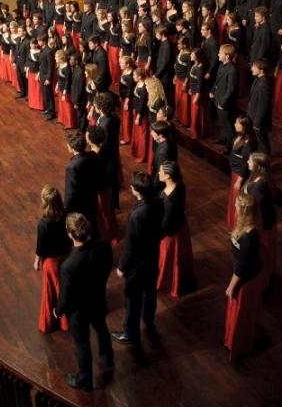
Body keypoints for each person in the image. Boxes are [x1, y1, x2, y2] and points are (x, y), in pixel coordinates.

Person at [54, 213, 114, 392]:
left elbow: (65, 296)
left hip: (78, 312)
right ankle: (107, 358)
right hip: (97, 299)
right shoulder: (103, 246)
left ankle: (84, 379)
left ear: (70, 234)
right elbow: (108, 265)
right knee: (101, 328)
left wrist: (58, 311)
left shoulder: (68, 266)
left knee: (82, 344)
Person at [111, 171, 163, 344]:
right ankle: (148, 319)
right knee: (150, 291)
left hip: (137, 265)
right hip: (153, 256)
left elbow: (131, 246)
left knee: (132, 299)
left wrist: (122, 267)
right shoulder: (158, 203)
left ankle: (130, 333)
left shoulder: (136, 215)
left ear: (135, 190)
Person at [224, 193, 263, 361]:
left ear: (244, 211)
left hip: (245, 280)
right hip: (241, 273)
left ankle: (240, 344)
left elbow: (241, 268)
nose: (235, 208)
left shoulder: (249, 237)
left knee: (241, 312)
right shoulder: (243, 226)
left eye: (237, 206)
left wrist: (231, 286)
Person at [34, 185, 71, 334]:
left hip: (52, 263)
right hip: (66, 258)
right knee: (65, 291)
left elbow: (41, 248)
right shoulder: (66, 215)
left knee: (51, 293)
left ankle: (49, 323)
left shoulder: (44, 224)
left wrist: (37, 261)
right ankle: (66, 323)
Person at [157, 161, 195, 296]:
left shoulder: (169, 200)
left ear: (168, 176)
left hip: (170, 234)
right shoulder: (180, 185)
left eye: (161, 171)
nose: (158, 173)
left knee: (170, 261)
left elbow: (165, 223)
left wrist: (156, 235)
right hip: (180, 227)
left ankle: (167, 281)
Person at [243, 152, 277, 289]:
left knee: (261, 254)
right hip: (261, 223)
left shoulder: (259, 187)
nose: (247, 162)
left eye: (250, 161)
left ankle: (262, 282)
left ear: (256, 165)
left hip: (260, 226)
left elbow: (258, 211)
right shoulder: (259, 179)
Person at [86, 126, 119, 245]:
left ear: (90, 139)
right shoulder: (105, 149)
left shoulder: (92, 157)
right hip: (105, 186)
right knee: (107, 213)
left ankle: (107, 234)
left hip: (99, 188)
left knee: (103, 214)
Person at [226, 116, 257, 231]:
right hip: (235, 173)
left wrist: (239, 180)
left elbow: (245, 164)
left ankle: (238, 226)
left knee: (238, 201)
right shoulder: (240, 137)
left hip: (239, 176)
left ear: (243, 127)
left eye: (237, 123)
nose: (234, 124)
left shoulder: (248, 144)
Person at [64, 130, 98, 231]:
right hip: (92, 199)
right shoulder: (93, 155)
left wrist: (66, 209)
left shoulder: (72, 167)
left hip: (80, 205)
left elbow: (70, 192)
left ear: (71, 147)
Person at [94, 93, 121, 210]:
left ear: (100, 109)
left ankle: (113, 206)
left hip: (107, 156)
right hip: (112, 153)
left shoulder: (105, 123)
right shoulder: (113, 117)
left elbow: (104, 144)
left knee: (110, 181)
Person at [210, 44, 239, 154]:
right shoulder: (222, 66)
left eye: (220, 53)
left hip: (225, 103)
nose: (218, 54)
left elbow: (230, 89)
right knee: (221, 122)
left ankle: (230, 146)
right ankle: (223, 138)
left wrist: (223, 102)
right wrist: (213, 91)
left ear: (227, 56)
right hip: (218, 98)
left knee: (228, 125)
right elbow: (217, 81)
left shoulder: (232, 70)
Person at [247, 59, 272, 154]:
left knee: (262, 141)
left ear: (261, 70)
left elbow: (263, 106)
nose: (251, 68)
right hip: (253, 116)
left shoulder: (263, 84)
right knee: (258, 139)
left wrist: (257, 122)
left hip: (259, 120)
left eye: (254, 67)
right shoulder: (258, 80)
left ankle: (265, 159)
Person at [189, 47, 210, 138]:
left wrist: (197, 96)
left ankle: (198, 132)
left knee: (197, 114)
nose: (190, 55)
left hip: (198, 94)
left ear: (197, 56)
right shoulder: (195, 65)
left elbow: (200, 84)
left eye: (192, 54)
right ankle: (195, 130)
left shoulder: (199, 69)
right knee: (194, 113)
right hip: (194, 91)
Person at [38, 33, 56, 121]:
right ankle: (48, 109)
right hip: (42, 75)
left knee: (49, 94)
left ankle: (52, 112)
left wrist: (48, 79)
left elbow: (50, 66)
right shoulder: (42, 49)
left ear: (44, 41)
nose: (38, 42)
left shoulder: (48, 51)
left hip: (46, 77)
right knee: (45, 94)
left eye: (39, 41)